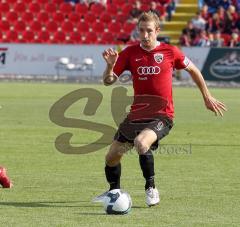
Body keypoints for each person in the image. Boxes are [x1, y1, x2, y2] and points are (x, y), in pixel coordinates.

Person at [93, 12, 227, 206]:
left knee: (141, 142)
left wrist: (207, 97)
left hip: (161, 116)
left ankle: (151, 187)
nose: (145, 35)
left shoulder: (171, 52)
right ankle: (114, 193)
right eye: (141, 31)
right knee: (112, 157)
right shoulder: (129, 53)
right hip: (135, 116)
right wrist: (110, 67)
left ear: (157, 31)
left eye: (149, 31)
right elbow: (108, 81)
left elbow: (194, 70)